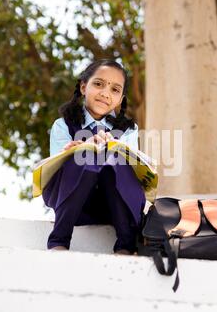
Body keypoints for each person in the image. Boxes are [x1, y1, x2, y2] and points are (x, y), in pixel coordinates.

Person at [42, 58, 146, 254]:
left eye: (115, 90)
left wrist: (112, 149)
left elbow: (132, 173)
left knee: (115, 159)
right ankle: (59, 241)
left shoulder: (128, 130)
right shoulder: (63, 125)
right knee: (84, 157)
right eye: (98, 84)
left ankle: (125, 245)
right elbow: (52, 172)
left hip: (113, 208)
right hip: (75, 206)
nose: (105, 93)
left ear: (121, 98)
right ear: (83, 87)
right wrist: (74, 151)